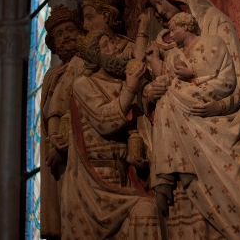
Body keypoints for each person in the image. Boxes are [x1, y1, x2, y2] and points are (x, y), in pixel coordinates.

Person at [144, 0, 240, 240]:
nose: (158, 12)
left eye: (160, 2)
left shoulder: (217, 24)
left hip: (216, 126)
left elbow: (238, 80)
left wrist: (216, 107)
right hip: (178, 132)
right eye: (153, 7)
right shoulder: (165, 41)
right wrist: (150, 91)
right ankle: (166, 182)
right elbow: (163, 81)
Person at [59, 29, 162, 239]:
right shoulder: (83, 84)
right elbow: (105, 121)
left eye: (112, 43)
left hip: (124, 178)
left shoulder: (124, 83)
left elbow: (141, 127)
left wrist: (140, 161)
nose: (114, 48)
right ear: (95, 55)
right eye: (106, 45)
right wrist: (131, 87)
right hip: (93, 185)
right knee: (145, 210)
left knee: (148, 212)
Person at [40, 4, 85, 239]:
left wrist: (63, 142)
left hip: (79, 148)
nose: (66, 36)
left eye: (70, 30)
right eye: (59, 34)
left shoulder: (87, 65)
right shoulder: (52, 75)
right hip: (55, 153)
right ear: (53, 44)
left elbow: (83, 109)